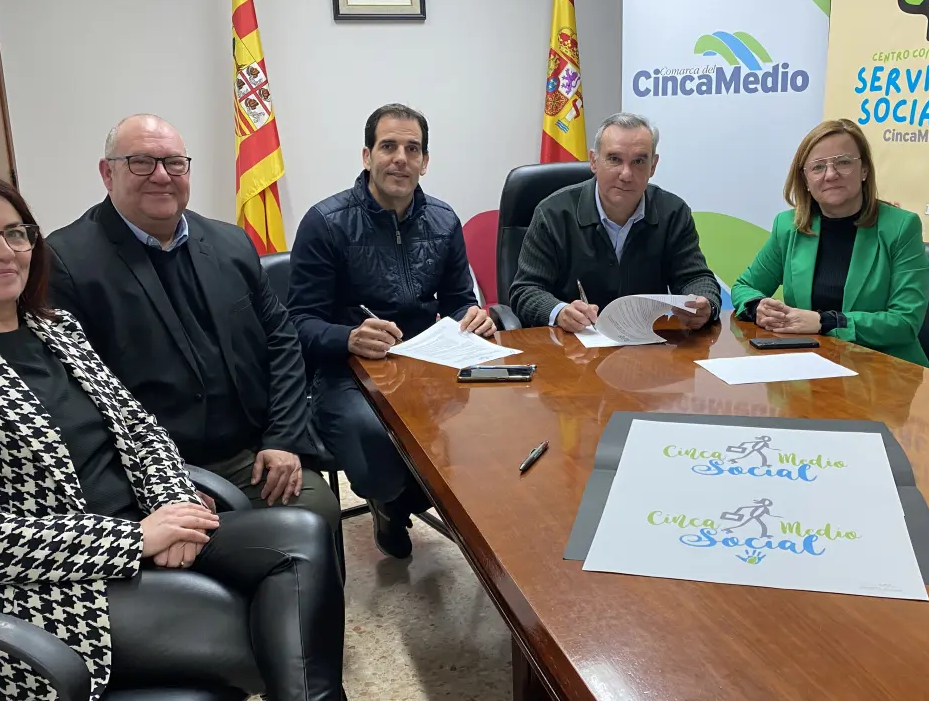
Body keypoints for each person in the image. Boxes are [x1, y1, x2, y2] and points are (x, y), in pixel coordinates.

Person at [0, 166, 344, 700]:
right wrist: (134, 540)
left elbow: (141, 430)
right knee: (257, 635)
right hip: (40, 590)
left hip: (142, 526)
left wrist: (174, 506)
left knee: (302, 535)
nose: (4, 251)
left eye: (15, 233)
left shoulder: (55, 329)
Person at [45, 114, 341, 536]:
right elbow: (70, 398)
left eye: (174, 163)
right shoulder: (66, 262)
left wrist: (282, 438)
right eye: (141, 162)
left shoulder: (230, 242)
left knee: (315, 512)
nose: (161, 176)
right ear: (107, 174)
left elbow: (282, 340)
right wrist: (162, 483)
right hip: (149, 470)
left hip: (249, 453)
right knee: (200, 549)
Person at [288, 103, 494, 558]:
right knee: (375, 438)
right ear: (367, 157)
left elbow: (459, 299)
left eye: (412, 149)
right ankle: (391, 502)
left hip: (426, 362)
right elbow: (298, 323)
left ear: (425, 161)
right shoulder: (325, 223)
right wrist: (348, 337)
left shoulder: (444, 219)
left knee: (484, 424)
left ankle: (423, 503)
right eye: (388, 147)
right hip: (348, 372)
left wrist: (473, 315)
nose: (401, 158)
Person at [731, 118, 929, 366]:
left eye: (844, 162)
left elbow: (905, 322)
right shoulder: (788, 226)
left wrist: (825, 322)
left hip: (885, 369)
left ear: (864, 170)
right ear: (805, 179)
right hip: (810, 365)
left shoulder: (901, 227)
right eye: (817, 167)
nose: (831, 175)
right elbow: (744, 286)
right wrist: (758, 307)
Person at [508, 112, 720, 331]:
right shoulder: (553, 213)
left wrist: (705, 304)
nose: (626, 174)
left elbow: (695, 278)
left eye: (639, 161)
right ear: (594, 161)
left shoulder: (673, 212)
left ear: (653, 166)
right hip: (572, 343)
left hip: (646, 342)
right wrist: (559, 312)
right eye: (614, 159)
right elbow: (526, 290)